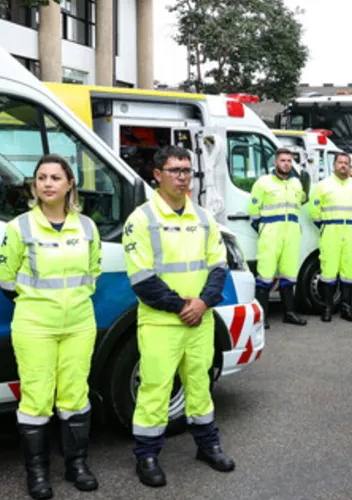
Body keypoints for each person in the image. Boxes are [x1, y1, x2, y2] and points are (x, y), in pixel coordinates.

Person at [123, 145, 234, 488]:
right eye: (174, 170)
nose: (183, 176)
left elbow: (219, 266)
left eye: (187, 170)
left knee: (200, 385)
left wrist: (202, 304)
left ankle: (208, 445)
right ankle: (147, 456)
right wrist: (182, 306)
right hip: (160, 322)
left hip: (199, 320)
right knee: (155, 388)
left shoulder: (203, 217)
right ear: (157, 175)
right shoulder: (141, 219)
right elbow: (141, 277)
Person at [0, 155, 101, 499]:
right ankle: (38, 473)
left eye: (56, 177)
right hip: (34, 326)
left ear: (70, 183)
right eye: (41, 177)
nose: (48, 184)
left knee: (75, 396)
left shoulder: (87, 227)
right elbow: (5, 278)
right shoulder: (20, 228)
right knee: (37, 399)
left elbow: (93, 273)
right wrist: (38, 306)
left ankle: (77, 465)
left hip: (80, 325)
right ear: (34, 185)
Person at [248, 147, 307, 328]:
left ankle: (289, 313)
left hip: (292, 232)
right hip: (271, 232)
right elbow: (254, 213)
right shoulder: (263, 183)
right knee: (265, 275)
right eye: (283, 160)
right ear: (275, 162)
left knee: (289, 274)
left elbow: (302, 202)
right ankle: (262, 317)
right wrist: (266, 229)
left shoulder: (297, 183)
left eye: (289, 161)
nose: (286, 164)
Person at [309, 152, 352, 323]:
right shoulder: (323, 185)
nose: (343, 165)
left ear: (350, 165)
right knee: (328, 270)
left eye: (346, 163)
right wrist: (326, 226)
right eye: (340, 162)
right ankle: (327, 307)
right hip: (331, 230)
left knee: (348, 271)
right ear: (334, 165)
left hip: (351, 231)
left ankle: (346, 308)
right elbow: (314, 211)